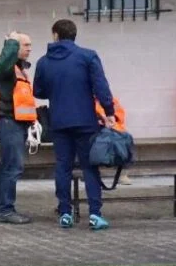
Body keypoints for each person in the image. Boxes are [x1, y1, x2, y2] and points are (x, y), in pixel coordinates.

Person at [33, 19, 115, 230]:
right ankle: (95, 214)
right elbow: (101, 87)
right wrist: (109, 112)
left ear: (55, 35)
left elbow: (38, 91)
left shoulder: (43, 62)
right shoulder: (88, 56)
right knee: (90, 166)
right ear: (74, 35)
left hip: (59, 122)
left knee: (63, 167)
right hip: (85, 121)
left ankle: (65, 212)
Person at [0, 32, 37, 225]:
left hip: (15, 122)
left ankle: (4, 208)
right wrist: (11, 42)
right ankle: (5, 210)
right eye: (25, 45)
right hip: (7, 122)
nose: (29, 48)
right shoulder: (3, 66)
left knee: (9, 165)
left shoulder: (17, 69)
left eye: (30, 45)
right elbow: (4, 62)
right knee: (13, 165)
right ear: (13, 47)